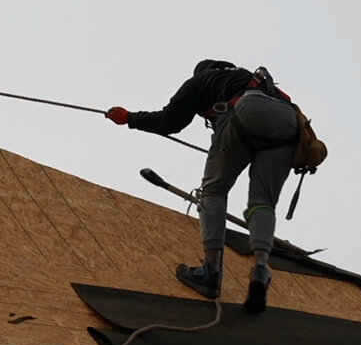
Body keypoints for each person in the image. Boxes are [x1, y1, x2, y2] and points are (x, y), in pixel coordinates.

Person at [106, 59, 298, 313]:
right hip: (289, 121)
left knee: (214, 192)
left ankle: (211, 272)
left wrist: (129, 118)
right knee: (262, 202)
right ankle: (261, 267)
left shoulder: (201, 80)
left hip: (246, 111)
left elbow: (170, 121)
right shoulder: (250, 78)